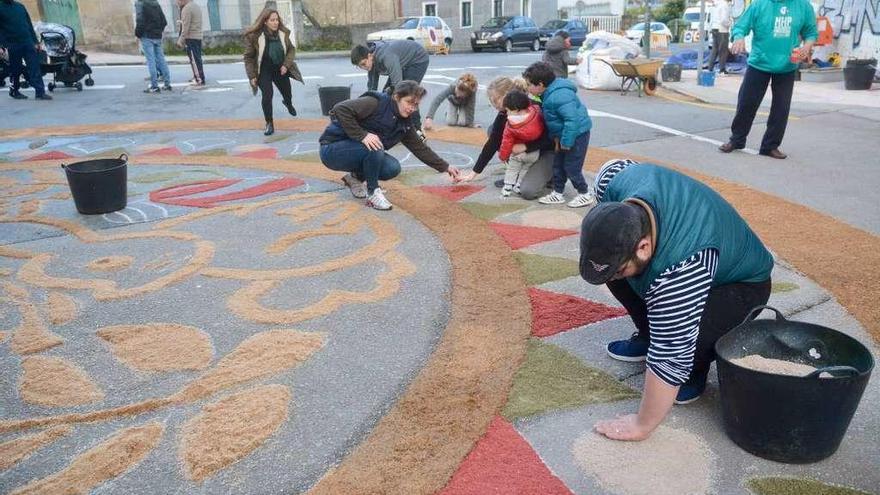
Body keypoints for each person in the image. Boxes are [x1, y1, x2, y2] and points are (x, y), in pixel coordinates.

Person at [581, 159, 774, 442]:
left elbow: (671, 351)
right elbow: (614, 168)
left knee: (683, 342)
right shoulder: (619, 186)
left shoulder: (681, 267)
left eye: (623, 265)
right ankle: (648, 334)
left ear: (644, 246)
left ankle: (695, 370)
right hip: (692, 250)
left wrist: (642, 424)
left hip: (741, 283)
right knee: (615, 273)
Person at [318, 80, 461, 211]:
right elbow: (339, 109)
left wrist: (445, 166)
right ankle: (373, 193)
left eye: (416, 104)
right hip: (332, 149)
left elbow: (419, 148)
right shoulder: (375, 102)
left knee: (392, 168)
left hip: (356, 150)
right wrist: (362, 135)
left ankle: (355, 178)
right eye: (409, 102)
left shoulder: (404, 122)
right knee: (375, 145)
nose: (412, 108)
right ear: (397, 97)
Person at [719, 0, 818, 159]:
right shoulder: (759, 5)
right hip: (759, 63)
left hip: (787, 65)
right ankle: (737, 140)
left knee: (781, 108)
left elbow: (811, 32)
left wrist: (807, 46)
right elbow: (740, 26)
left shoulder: (803, 6)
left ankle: (770, 146)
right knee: (746, 103)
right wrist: (739, 37)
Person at [455, 76, 556, 201]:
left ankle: (553, 174)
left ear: (507, 95)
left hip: (547, 151)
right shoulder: (505, 112)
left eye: (495, 100)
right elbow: (493, 142)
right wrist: (473, 173)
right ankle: (516, 172)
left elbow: (551, 138)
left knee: (527, 191)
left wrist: (526, 147)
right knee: (493, 131)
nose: (493, 104)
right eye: (491, 101)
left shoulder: (535, 109)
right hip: (526, 153)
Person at [522, 62, 595, 208]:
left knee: (571, 167)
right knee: (558, 164)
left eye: (530, 84)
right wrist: (557, 139)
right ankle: (558, 192)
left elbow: (571, 119)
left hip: (576, 135)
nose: (527, 87)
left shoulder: (559, 96)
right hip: (564, 136)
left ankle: (584, 193)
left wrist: (566, 142)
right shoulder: (548, 93)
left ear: (540, 84)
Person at [243, 9, 303, 136]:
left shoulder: (282, 33)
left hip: (280, 68)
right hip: (263, 69)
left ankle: (288, 102)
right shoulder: (255, 36)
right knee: (267, 94)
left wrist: (286, 65)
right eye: (272, 20)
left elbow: (291, 50)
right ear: (265, 22)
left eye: (277, 19)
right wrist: (252, 75)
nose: (276, 22)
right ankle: (269, 123)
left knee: (287, 91)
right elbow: (248, 57)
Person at [350, 40, 430, 130]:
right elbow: (372, 90)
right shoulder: (371, 62)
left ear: (369, 56)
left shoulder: (387, 57)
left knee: (407, 93)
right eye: (360, 66)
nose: (363, 68)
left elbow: (399, 85)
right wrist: (364, 109)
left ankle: (417, 129)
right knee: (385, 95)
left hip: (417, 58)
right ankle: (392, 126)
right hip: (401, 63)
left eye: (364, 64)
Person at [1, 0, 51, 100]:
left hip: (27, 42)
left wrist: (36, 42)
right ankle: (14, 90)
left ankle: (40, 92)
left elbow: (28, 25)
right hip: (12, 44)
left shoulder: (20, 7)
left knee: (34, 66)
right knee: (16, 69)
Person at [498, 90, 545, 197]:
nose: (507, 113)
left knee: (512, 168)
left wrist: (503, 156)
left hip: (517, 153)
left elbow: (507, 142)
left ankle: (508, 186)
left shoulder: (511, 124)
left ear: (516, 110)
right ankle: (518, 184)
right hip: (534, 153)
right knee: (526, 169)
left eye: (508, 110)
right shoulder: (536, 112)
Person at [135, 0, 173, 93]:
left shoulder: (140, 3)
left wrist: (138, 34)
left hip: (147, 36)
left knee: (151, 61)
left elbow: (140, 21)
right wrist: (158, 31)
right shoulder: (155, 3)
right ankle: (167, 84)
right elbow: (164, 21)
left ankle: (154, 86)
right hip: (157, 36)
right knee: (161, 59)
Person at [176, 0, 205, 86]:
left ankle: (199, 79)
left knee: (194, 60)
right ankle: (197, 76)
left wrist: (180, 41)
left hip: (191, 37)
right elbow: (192, 22)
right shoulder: (195, 6)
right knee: (197, 58)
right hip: (197, 36)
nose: (176, 2)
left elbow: (186, 27)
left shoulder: (186, 8)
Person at [706, 0, 732, 74]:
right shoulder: (725, 5)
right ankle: (722, 69)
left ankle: (710, 68)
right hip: (722, 30)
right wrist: (731, 23)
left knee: (714, 49)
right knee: (723, 51)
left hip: (714, 28)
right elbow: (724, 20)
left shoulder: (716, 4)